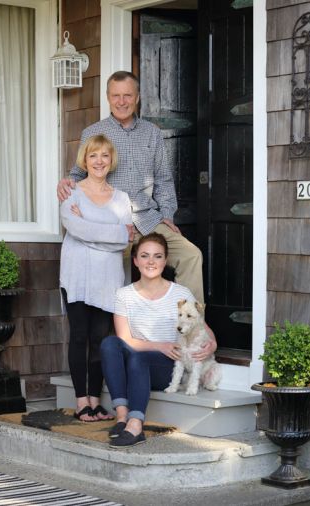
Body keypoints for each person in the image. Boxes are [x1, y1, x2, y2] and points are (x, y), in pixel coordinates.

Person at [57, 70, 205, 304]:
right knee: (118, 275)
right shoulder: (93, 133)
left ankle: (191, 330)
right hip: (113, 222)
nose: (121, 101)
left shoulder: (152, 134)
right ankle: (122, 338)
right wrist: (66, 181)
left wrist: (167, 215)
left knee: (192, 256)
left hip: (149, 219)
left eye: (127, 95)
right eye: (116, 95)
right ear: (108, 97)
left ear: (137, 98)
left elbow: (164, 179)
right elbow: (77, 173)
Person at [100, 233, 217, 448]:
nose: (151, 262)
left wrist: (213, 344)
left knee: (140, 359)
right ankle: (122, 417)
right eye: (144, 256)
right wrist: (157, 345)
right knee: (109, 344)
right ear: (135, 261)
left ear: (165, 260)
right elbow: (125, 338)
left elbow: (203, 327)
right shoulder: (124, 295)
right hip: (137, 357)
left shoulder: (181, 294)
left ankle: (136, 426)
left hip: (165, 365)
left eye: (157, 256)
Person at [60, 134, 133, 422]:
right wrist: (110, 233)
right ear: (85, 160)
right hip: (77, 276)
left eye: (104, 155)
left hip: (107, 279)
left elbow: (126, 240)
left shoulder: (122, 198)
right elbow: (75, 229)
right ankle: (81, 402)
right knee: (79, 337)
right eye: (93, 156)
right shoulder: (71, 194)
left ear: (110, 160)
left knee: (101, 339)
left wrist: (89, 227)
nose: (99, 161)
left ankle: (95, 400)